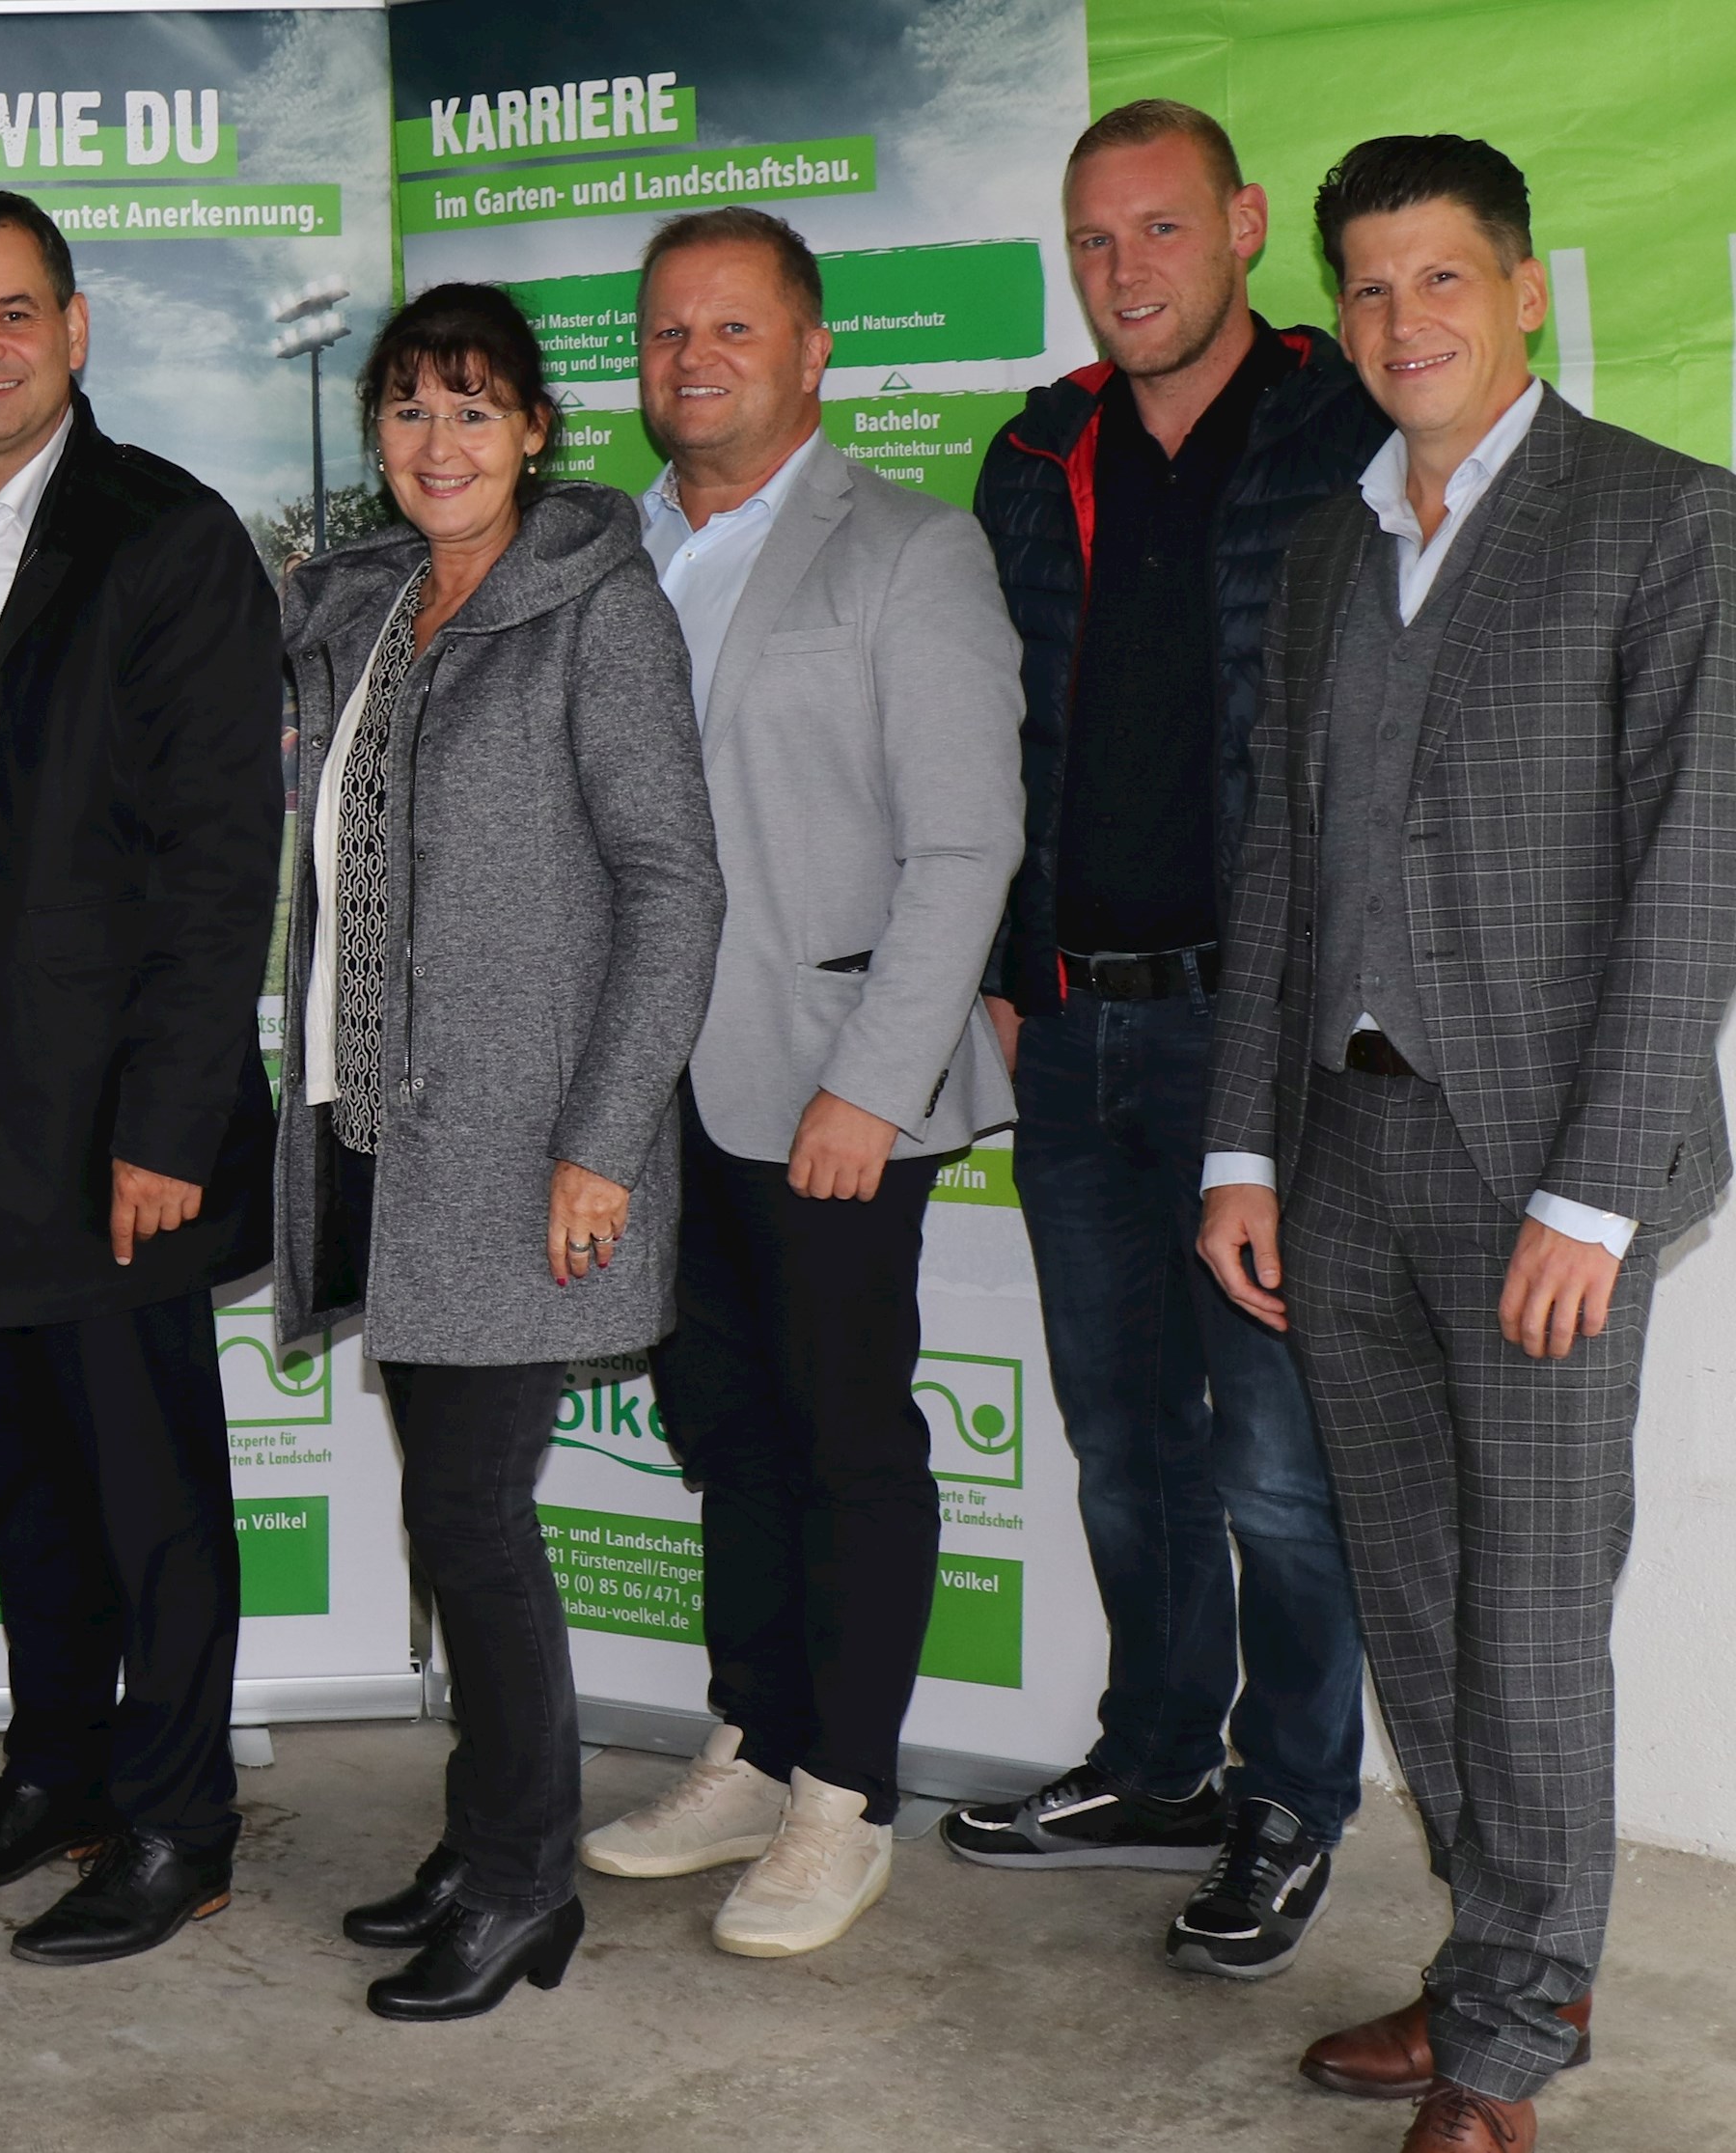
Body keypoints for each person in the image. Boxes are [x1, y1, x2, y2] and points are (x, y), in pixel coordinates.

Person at [1199, 136, 1736, 2153]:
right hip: (1335, 1160)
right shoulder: (1335, 546)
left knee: (1524, 1611)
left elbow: (1692, 880)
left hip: (1541, 1178)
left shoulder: (1665, 524)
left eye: (1438, 278)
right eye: (1362, 286)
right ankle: (1494, 1956)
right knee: (1411, 1598)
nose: (1398, 320)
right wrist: (1235, 1155)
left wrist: (1587, 1194)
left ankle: (1507, 2042)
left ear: (1519, 290)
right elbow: (1278, 860)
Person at [946, 98, 1390, 1980]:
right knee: (1121, 1442)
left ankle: (1289, 1788)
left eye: (1155, 231)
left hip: (1261, 1037)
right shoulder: (1031, 448)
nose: (1123, 271)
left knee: (1276, 1465)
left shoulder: (1340, 431)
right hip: (1072, 1034)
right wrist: (991, 952)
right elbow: (985, 740)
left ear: (1238, 224)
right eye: (1092, 240)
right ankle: (1154, 1765)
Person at [575, 207, 1024, 1959]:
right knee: (730, 1438)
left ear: (815, 351)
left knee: (848, 1442)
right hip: (656, 1090)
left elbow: (967, 842)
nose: (695, 359)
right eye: (668, 332)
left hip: (834, 1083)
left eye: (734, 329)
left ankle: (846, 1796)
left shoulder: (907, 550)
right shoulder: (606, 550)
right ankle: (754, 1747)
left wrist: (877, 1083)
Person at [272, 284, 721, 2021]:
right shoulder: (371, 606)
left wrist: (603, 1142)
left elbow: (676, 888)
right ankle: (482, 1843)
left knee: (475, 1512)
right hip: (382, 1120)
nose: (436, 443)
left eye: (473, 408)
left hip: (528, 1146)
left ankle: (528, 1880)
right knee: (449, 1509)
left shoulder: (597, 612)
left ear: (537, 428)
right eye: (405, 410)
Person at [0, 192, 284, 1967]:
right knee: (19, 1476)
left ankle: (182, 1821)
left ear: (77, 329)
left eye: (14, 312)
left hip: (114, 1123)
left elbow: (216, 858)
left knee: (150, 1488)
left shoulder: (165, 537)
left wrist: (171, 1124)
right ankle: (60, 1768)